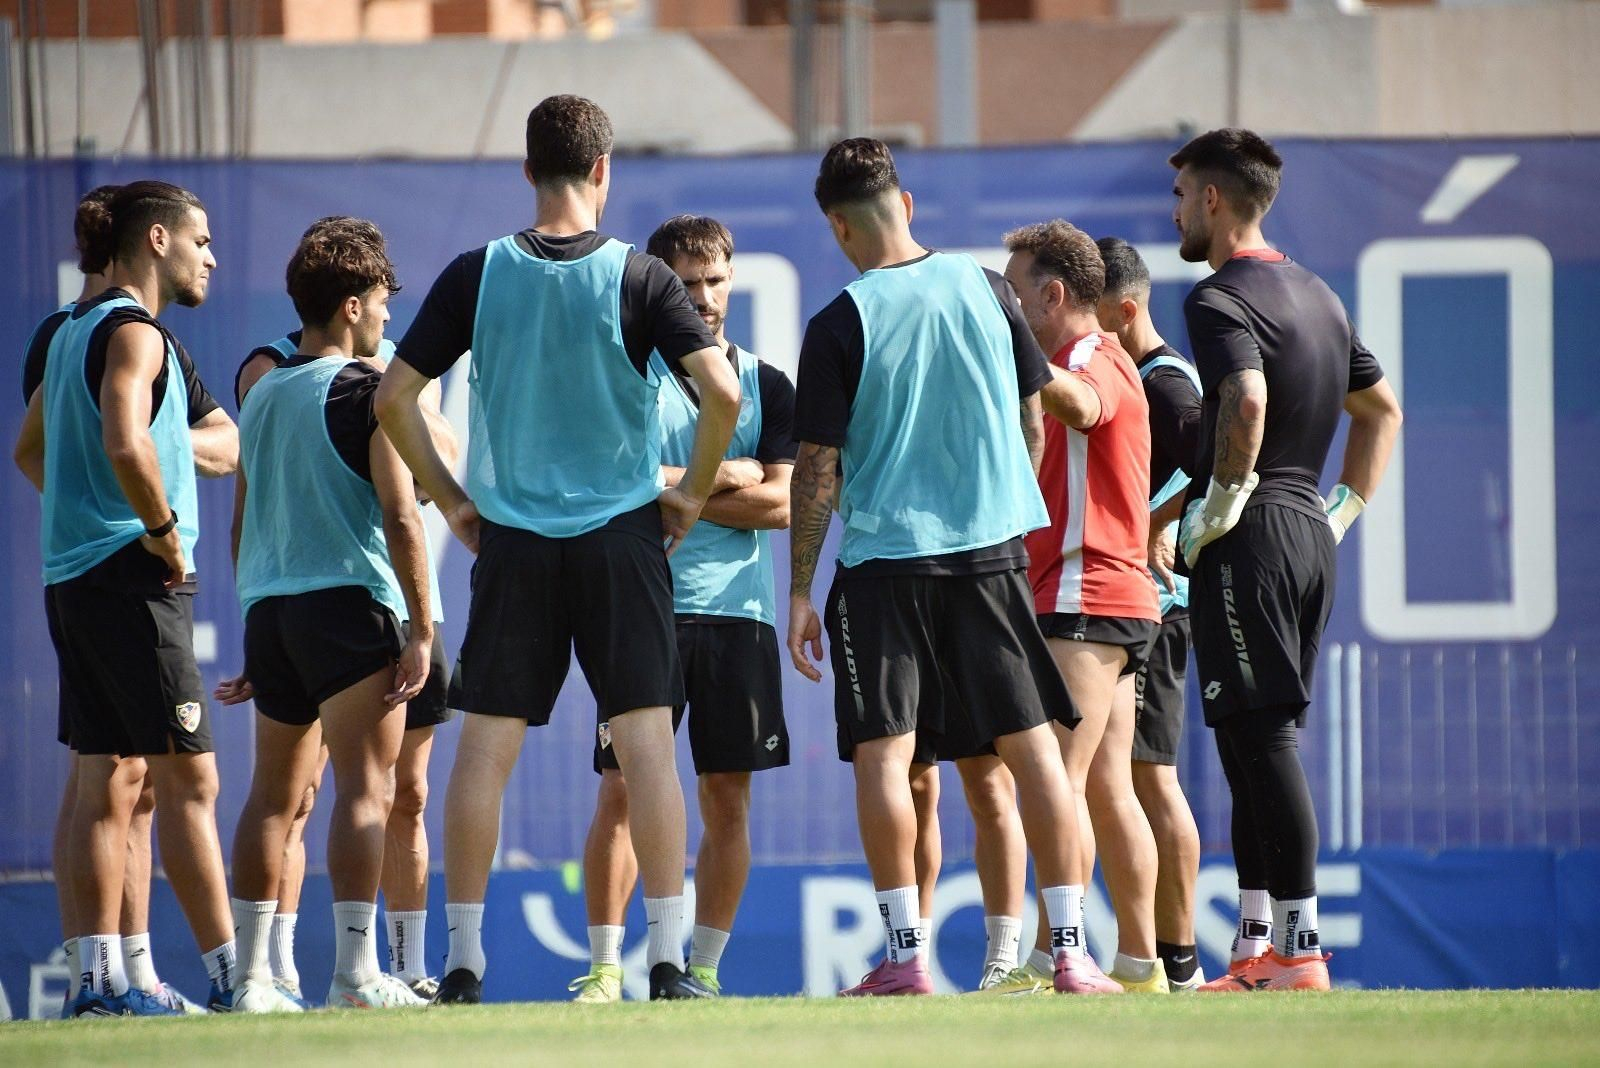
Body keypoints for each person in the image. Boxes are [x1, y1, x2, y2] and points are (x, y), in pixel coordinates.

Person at [375, 94, 740, 1004]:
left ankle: (463, 965)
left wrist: (453, 502)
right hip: (623, 537)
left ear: (529, 170)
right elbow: (725, 394)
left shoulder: (478, 273)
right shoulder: (641, 275)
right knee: (648, 749)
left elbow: (392, 398)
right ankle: (667, 962)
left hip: (514, 543)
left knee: (484, 753)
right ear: (603, 170)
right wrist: (692, 492)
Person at [787, 137, 1116, 997]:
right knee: (1033, 748)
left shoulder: (838, 321)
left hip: (884, 564)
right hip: (989, 554)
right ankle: (1071, 951)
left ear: (837, 227)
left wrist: (799, 590)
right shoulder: (989, 288)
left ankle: (906, 958)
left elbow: (816, 468)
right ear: (906, 204)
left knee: (885, 756)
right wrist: (1004, 507)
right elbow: (1033, 417)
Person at [1167, 128, 1402, 991]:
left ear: (1214, 199)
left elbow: (1247, 399)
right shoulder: (1318, 294)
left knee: (1263, 742)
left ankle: (1300, 951)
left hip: (1253, 533)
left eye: (1182, 196)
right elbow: (1381, 411)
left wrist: (1224, 500)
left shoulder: (1217, 296)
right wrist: (1343, 510)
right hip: (1304, 530)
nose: (1176, 213)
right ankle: (1257, 950)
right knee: (1245, 744)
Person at [21, 180, 242, 1015]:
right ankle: (237, 981)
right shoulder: (136, 332)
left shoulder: (72, 332)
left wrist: (89, 513)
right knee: (192, 781)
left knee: (103, 778)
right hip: (131, 577)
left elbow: (32, 449)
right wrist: (159, 528)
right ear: (158, 240)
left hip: (77, 577)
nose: (210, 257)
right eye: (201, 240)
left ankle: (101, 983)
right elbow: (123, 437)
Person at [230, 236, 461, 1004]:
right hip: (351, 609)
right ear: (353, 307)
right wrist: (421, 629)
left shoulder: (262, 392)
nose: (389, 321)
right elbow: (401, 515)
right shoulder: (370, 390)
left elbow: (242, 521)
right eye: (384, 306)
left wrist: (254, 619)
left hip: (271, 612)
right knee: (368, 791)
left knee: (272, 798)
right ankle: (355, 976)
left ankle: (252, 980)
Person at [575, 215, 794, 1002]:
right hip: (644, 610)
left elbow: (782, 505)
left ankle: (700, 970)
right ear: (660, 286)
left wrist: (682, 489)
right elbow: (619, 481)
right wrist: (728, 472)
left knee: (727, 799)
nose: (703, 297)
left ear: (732, 279)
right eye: (688, 283)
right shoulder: (628, 376)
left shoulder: (768, 383)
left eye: (715, 280)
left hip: (740, 614)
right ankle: (606, 969)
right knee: (621, 792)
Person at [1001, 220, 1165, 994]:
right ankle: (1140, 964)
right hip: (1112, 595)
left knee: (1057, 780)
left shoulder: (1091, 356)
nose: (1010, 306)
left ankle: (1054, 957)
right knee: (1105, 785)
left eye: (1016, 294)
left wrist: (1013, 348)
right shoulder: (1103, 357)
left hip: (1084, 592)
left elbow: (1084, 407)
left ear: (1053, 295)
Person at [1095, 235, 1206, 991]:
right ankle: (1157, 957)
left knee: (1151, 779)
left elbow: (1224, 461)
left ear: (1127, 310)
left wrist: (1157, 524)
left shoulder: (1167, 387)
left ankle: (1179, 961)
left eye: (1095, 312)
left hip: (1157, 607)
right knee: (1130, 779)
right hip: (1136, 604)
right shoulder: (1135, 380)